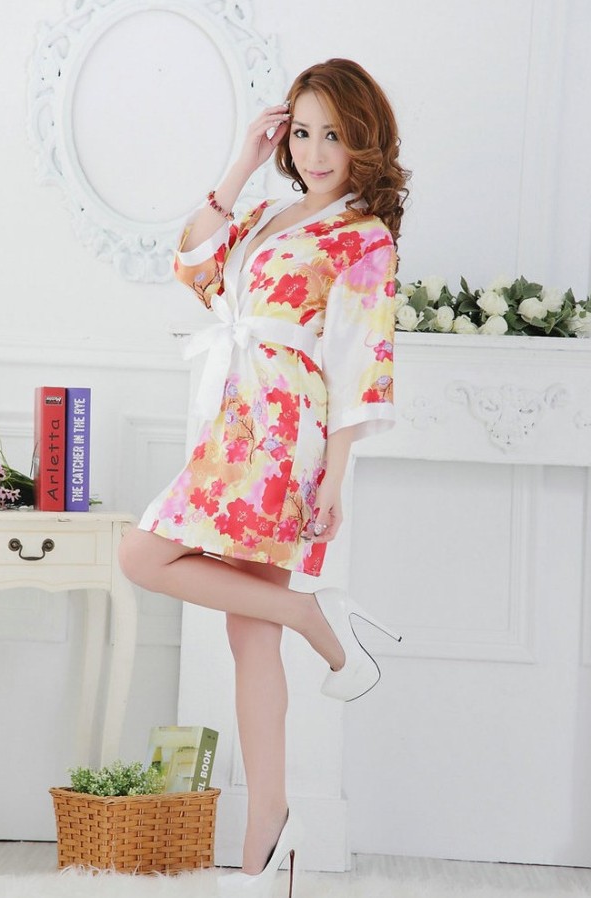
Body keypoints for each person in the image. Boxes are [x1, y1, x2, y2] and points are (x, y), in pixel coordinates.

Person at [119, 57, 409, 898]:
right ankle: (270, 836)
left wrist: (335, 478)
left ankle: (262, 839)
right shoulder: (267, 212)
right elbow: (193, 267)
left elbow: (361, 362)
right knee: (249, 632)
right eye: (304, 133)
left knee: (149, 560)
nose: (315, 152)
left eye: (334, 136)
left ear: (364, 140)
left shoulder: (365, 236)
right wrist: (241, 163)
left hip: (284, 434)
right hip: (232, 422)